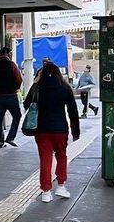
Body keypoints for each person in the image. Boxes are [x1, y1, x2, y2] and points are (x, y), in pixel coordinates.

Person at [23, 62, 80, 202]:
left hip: (41, 129)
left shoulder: (37, 87)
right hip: (60, 129)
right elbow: (73, 111)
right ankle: (61, 186)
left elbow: (26, 104)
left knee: (45, 159)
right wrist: (75, 132)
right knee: (61, 156)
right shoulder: (65, 88)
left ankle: (46, 192)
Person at [0, 46, 23, 148]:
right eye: (11, 53)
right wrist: (15, 88)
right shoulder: (11, 64)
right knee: (17, 116)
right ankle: (10, 137)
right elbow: (18, 79)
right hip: (11, 95)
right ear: (7, 53)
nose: (11, 55)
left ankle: (0, 140)